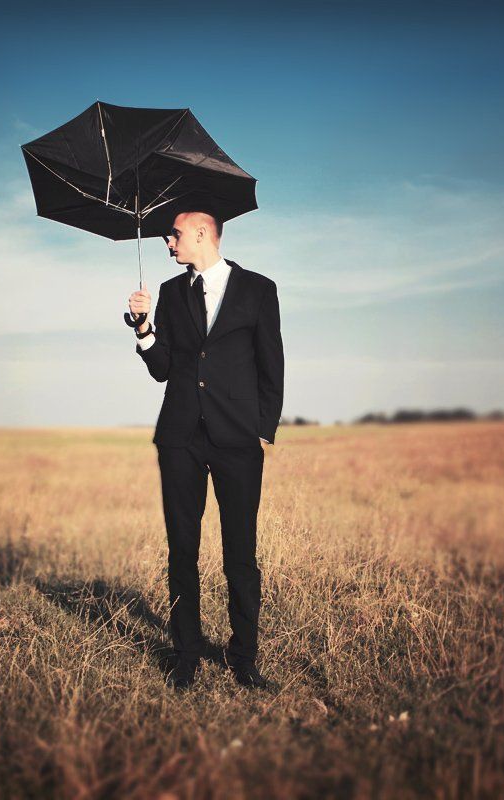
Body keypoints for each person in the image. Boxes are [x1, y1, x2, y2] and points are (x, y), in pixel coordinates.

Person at [127, 203, 284, 691]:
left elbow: (271, 363)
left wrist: (262, 429)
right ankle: (186, 653)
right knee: (182, 550)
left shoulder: (259, 290)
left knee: (241, 552)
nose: (168, 244)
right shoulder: (172, 294)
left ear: (201, 234)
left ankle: (243, 658)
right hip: (180, 438)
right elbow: (163, 368)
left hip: (237, 438)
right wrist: (144, 328)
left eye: (173, 235)